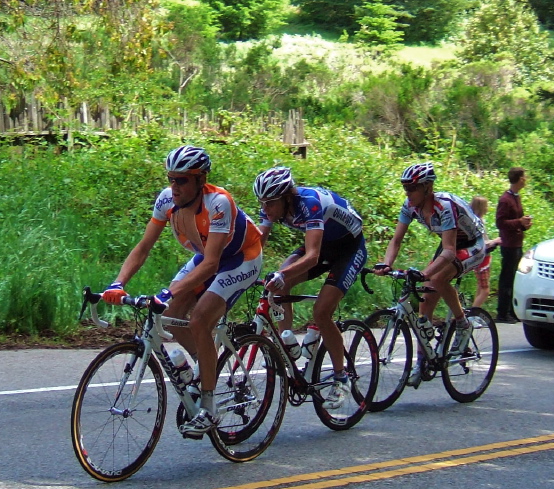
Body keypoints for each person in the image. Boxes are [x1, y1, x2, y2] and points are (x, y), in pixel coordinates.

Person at [102, 145, 263, 438]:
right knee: (172, 314)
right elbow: (143, 248)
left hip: (242, 258)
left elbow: (213, 263)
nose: (174, 186)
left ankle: (209, 407)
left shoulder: (218, 203)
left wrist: (168, 290)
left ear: (201, 180)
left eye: (182, 180)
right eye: (171, 179)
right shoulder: (166, 201)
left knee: (200, 319)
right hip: (207, 255)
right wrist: (118, 283)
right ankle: (204, 368)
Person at [253, 166, 367, 409]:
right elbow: (257, 245)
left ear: (286, 197)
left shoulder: (308, 203)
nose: (265, 209)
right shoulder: (273, 206)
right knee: (277, 287)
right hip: (324, 243)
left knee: (321, 311)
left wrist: (282, 273)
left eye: (270, 203)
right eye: (262, 203)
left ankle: (341, 377)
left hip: (348, 248)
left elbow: (313, 256)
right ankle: (288, 347)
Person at [374, 162, 487, 387]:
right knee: (424, 306)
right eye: (405, 188)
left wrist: (425, 273)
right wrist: (387, 264)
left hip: (472, 244)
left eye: (412, 188)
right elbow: (396, 240)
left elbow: (449, 250)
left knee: (436, 278)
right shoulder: (410, 205)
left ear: (427, 187)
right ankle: (422, 362)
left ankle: (463, 323)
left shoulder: (444, 206)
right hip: (450, 245)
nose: (408, 193)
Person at [495, 167, 532, 324]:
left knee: (514, 278)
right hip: (509, 244)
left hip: (517, 242)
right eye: (524, 177)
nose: (526, 179)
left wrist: (524, 224)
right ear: (519, 179)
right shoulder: (505, 199)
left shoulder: (516, 197)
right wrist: (519, 222)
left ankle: (511, 311)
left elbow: (515, 219)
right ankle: (503, 313)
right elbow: (500, 222)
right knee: (507, 279)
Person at [469, 195, 501, 308]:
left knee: (480, 287)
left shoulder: (476, 221)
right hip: (481, 258)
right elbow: (482, 243)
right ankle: (473, 314)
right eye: (485, 206)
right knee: (485, 290)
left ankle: (475, 313)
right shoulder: (477, 223)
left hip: (483, 258)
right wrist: (496, 241)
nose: (487, 208)